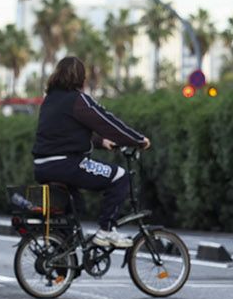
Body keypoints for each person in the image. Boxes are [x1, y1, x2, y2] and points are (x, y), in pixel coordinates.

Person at [32, 56, 149, 248]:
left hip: (43, 167)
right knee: (120, 177)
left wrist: (101, 142)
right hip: (67, 164)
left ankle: (61, 256)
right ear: (81, 77)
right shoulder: (78, 100)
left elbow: (64, 134)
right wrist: (137, 140)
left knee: (75, 207)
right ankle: (106, 231)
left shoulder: (49, 100)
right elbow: (106, 122)